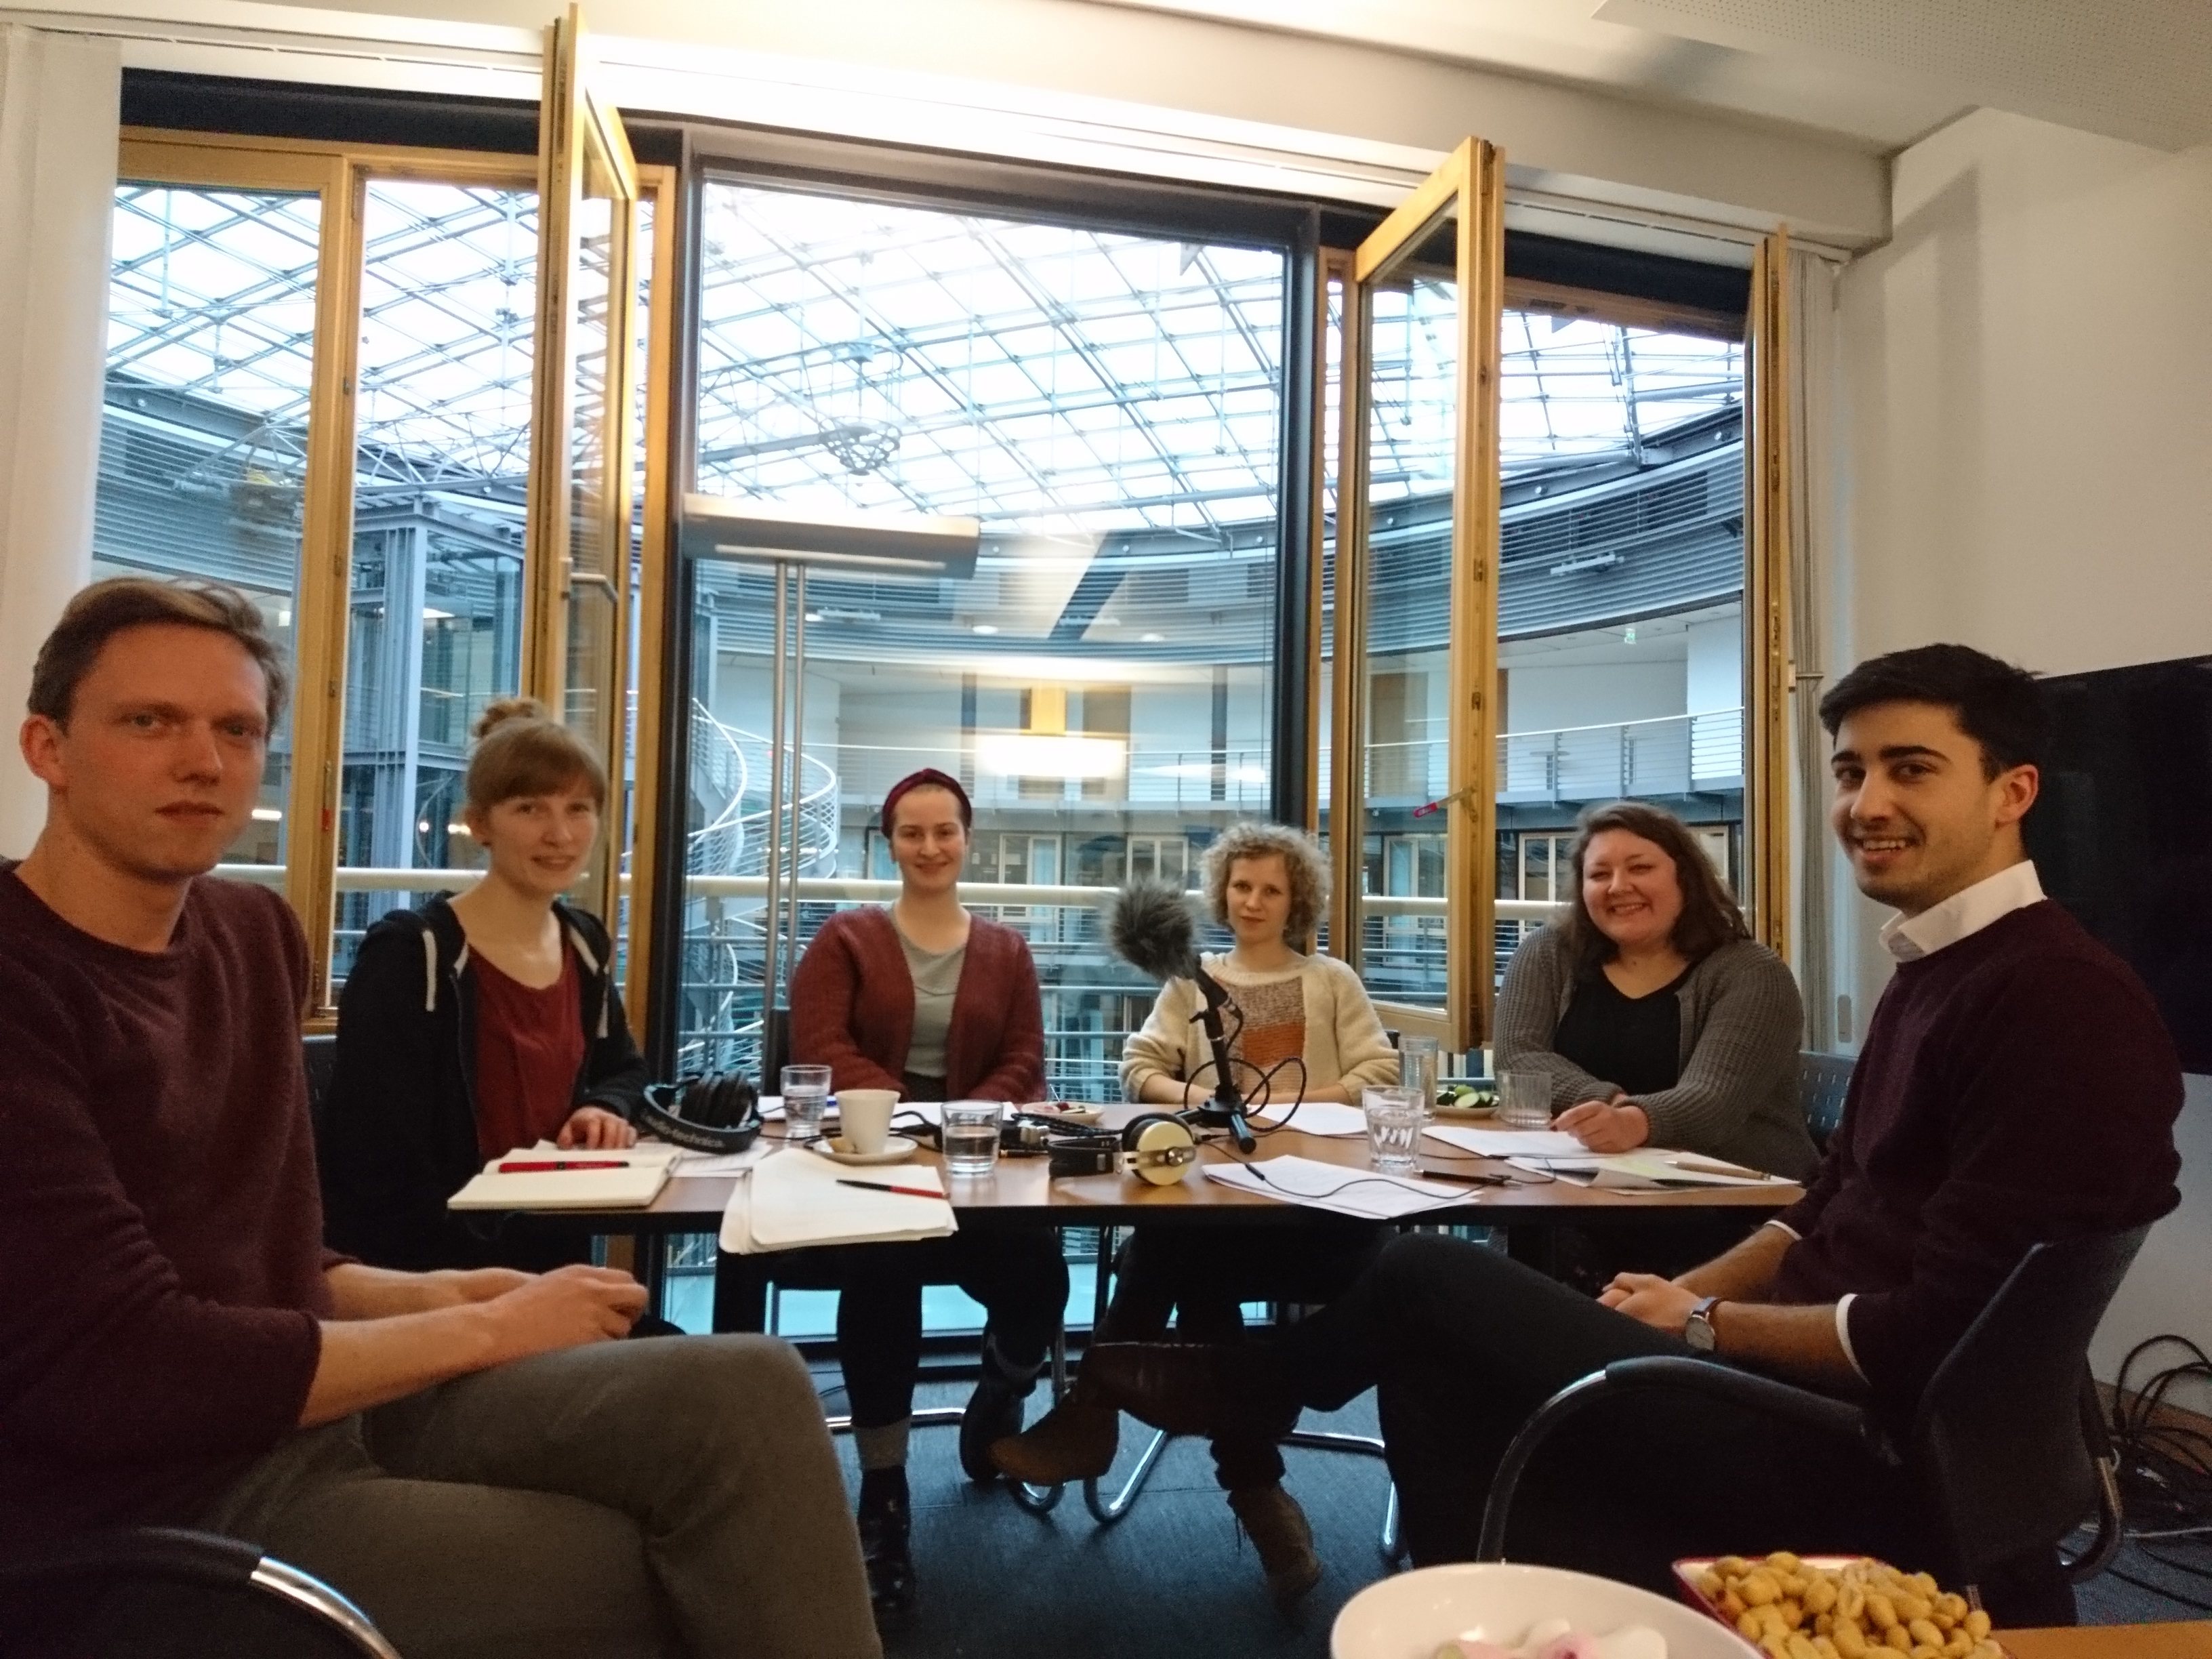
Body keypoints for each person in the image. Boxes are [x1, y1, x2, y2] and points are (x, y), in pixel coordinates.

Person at [1054, 642, 2184, 1624]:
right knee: (1435, 1342)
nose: (1863, 801)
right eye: (1847, 771)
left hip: (1852, 1449)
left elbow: (1928, 1332)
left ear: (2012, 790)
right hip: (1791, 1385)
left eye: (1908, 767)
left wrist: (1699, 1324)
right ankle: (1476, 1592)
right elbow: (1822, 1207)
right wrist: (1677, 1292)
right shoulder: (1938, 972)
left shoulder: (2051, 1001)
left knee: (1424, 1279)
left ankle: (1261, 1398)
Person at [0, 577, 879, 1659]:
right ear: (47, 746)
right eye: (150, 722)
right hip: (153, 1505)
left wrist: (441, 1292)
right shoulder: (28, 982)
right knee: (640, 1556)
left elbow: (275, 1259)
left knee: (750, 1383)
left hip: (313, 1404)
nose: (202, 760)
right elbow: (121, 1366)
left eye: (235, 729)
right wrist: (487, 1326)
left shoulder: (251, 935)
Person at [994, 821, 1399, 1603]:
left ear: (1296, 900)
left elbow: (1378, 1070)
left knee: (1172, 1248)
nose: (1253, 901)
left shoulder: (1332, 981)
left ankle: (1093, 1405)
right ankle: (1256, 1490)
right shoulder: (1190, 981)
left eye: (1270, 889)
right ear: (1223, 893)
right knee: (1191, 1244)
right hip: (1221, 1207)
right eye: (1241, 886)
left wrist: (1282, 1103)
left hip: (1316, 1216)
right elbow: (1138, 1064)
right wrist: (1201, 1105)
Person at [786, 766, 1070, 1629]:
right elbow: (823, 1048)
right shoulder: (845, 939)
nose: (930, 847)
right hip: (875, 1166)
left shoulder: (1007, 949)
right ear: (889, 842)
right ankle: (884, 1494)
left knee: (1042, 1280)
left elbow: (1025, 1057)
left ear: (967, 839)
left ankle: (999, 1393)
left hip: (982, 1166)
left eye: (945, 831)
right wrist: (917, 1125)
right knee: (883, 1274)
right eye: (912, 833)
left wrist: (971, 1122)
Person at [320, 698, 649, 1275]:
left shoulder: (584, 943)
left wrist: (603, 1106)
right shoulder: (410, 956)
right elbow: (375, 1164)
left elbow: (623, 1068)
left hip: (553, 1260)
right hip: (437, 1280)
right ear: (479, 824)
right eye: (530, 809)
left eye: (579, 809)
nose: (560, 834)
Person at [1500, 800, 1816, 1181]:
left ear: (1685, 877)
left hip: (1733, 1204)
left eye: (1640, 868)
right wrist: (1607, 1106)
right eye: (1599, 875)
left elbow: (1713, 1099)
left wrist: (1633, 1122)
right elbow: (1518, 1056)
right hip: (1579, 1187)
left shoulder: (1753, 973)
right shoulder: (1549, 952)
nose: (1618, 887)